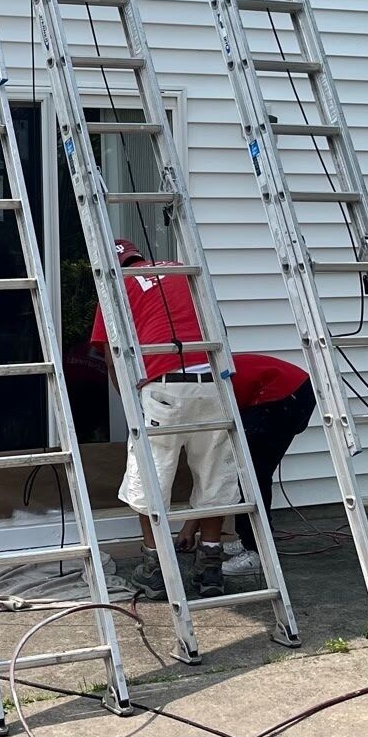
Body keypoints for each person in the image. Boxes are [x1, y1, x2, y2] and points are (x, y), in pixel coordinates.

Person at [89, 237, 238, 599]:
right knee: (214, 476)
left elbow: (112, 358)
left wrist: (131, 404)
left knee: (151, 480)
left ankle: (154, 570)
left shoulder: (116, 285)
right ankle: (210, 571)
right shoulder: (180, 271)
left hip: (165, 388)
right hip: (213, 385)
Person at [222, 352, 316, 575]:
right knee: (250, 469)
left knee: (252, 472)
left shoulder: (196, 390)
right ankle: (250, 539)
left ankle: (256, 552)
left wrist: (191, 527)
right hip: (288, 388)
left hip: (283, 393)